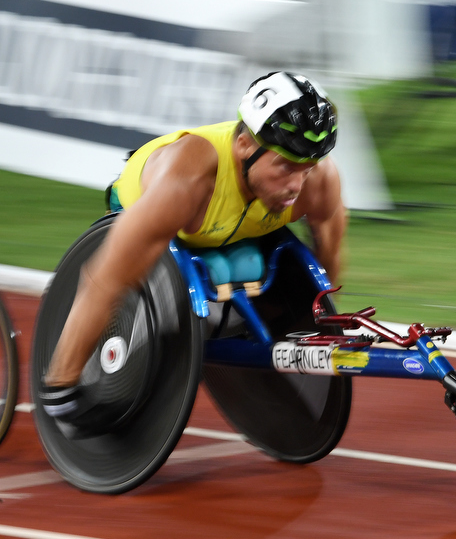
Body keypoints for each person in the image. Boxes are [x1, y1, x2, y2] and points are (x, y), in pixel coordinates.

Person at [40, 71, 347, 419]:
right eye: (285, 166)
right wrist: (60, 387)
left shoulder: (319, 182)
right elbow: (105, 277)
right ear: (244, 145)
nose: (296, 185)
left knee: (244, 266)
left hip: (233, 223)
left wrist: (310, 325)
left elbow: (326, 271)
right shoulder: (189, 177)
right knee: (171, 302)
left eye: (306, 168)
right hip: (156, 209)